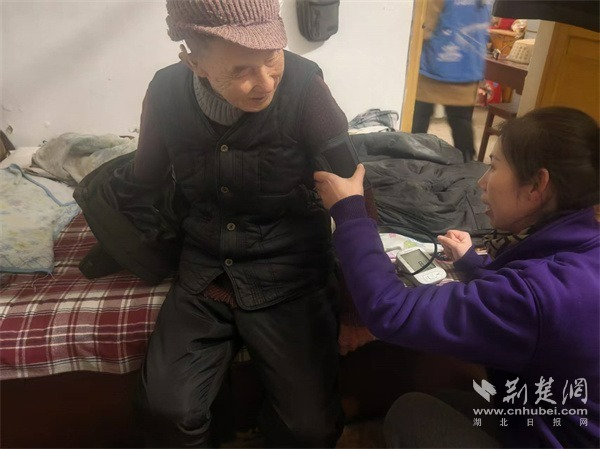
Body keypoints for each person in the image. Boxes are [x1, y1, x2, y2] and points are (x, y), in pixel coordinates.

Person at [131, 0, 375, 446]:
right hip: (205, 273)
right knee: (166, 411)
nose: (264, 82)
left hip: (290, 273)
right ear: (194, 63)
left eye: (272, 58)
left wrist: (357, 307)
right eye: (241, 70)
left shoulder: (305, 88)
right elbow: (145, 180)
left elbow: (355, 195)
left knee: (310, 430)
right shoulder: (165, 91)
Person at [314, 107, 599, 448]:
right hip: (556, 416)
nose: (481, 182)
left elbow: (391, 309)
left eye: (494, 166)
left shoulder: (538, 296)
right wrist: (473, 266)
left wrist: (350, 212)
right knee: (451, 401)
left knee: (411, 413)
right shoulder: (584, 248)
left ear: (537, 185)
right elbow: (529, 298)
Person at [412, 0, 491, 162]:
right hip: (468, 66)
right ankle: (468, 167)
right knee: (462, 124)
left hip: (434, 67)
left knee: (418, 123)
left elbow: (424, 29)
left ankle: (411, 163)